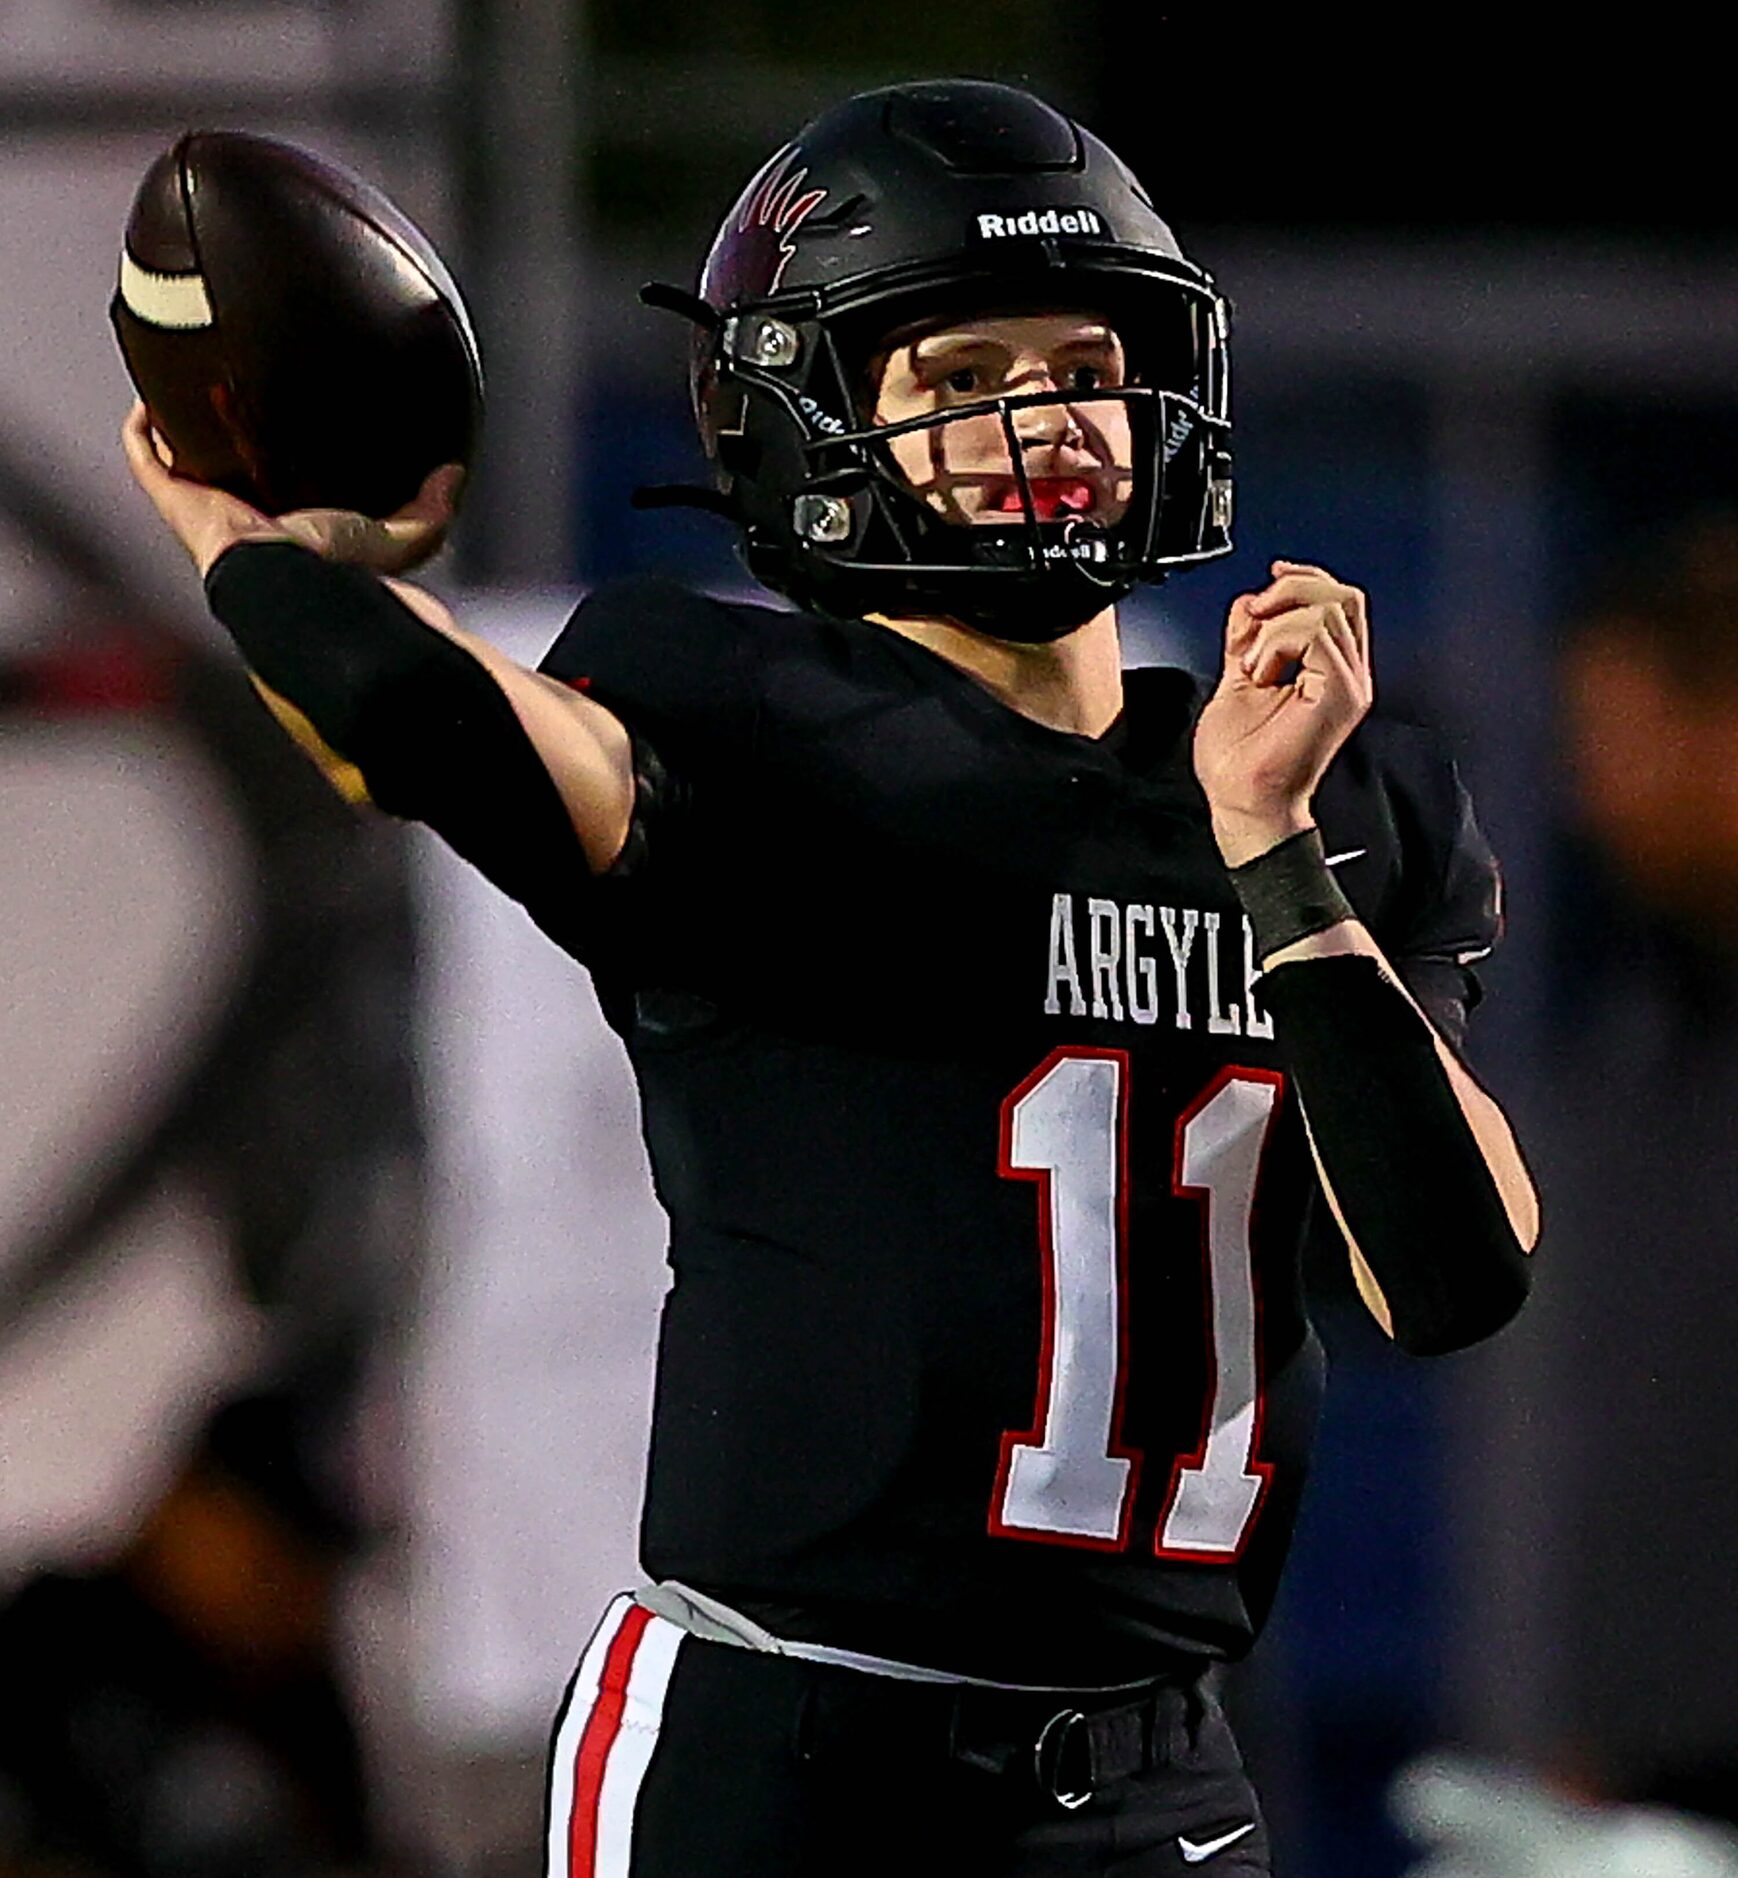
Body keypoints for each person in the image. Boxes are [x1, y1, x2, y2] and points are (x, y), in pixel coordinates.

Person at [124, 77, 1539, 1878]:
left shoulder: (1338, 794)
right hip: (793, 1754)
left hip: (1158, 1777)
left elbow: (1448, 1273)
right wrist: (260, 554)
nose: (1045, 412)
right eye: (956, 379)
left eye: (1080, 357)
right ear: (811, 419)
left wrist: (1269, 856)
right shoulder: (761, 728)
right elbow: (421, 715)